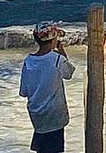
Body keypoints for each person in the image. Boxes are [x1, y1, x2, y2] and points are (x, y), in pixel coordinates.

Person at [19, 22, 75, 153]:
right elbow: (69, 73)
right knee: (54, 148)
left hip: (36, 114)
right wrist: (62, 53)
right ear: (53, 40)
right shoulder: (57, 60)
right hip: (54, 114)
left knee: (43, 146)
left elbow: (24, 92)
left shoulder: (28, 62)